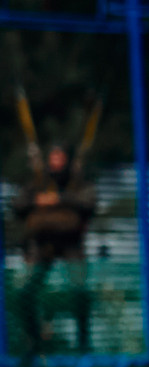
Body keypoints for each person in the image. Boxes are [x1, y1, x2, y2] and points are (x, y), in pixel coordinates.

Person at [12, 146, 96, 356]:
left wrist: (61, 199)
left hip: (71, 245)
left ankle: (83, 342)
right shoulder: (37, 184)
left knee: (79, 289)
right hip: (42, 245)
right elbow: (18, 205)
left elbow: (89, 204)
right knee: (25, 291)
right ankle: (33, 340)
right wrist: (36, 200)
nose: (56, 163)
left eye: (61, 158)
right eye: (53, 158)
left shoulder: (78, 184)